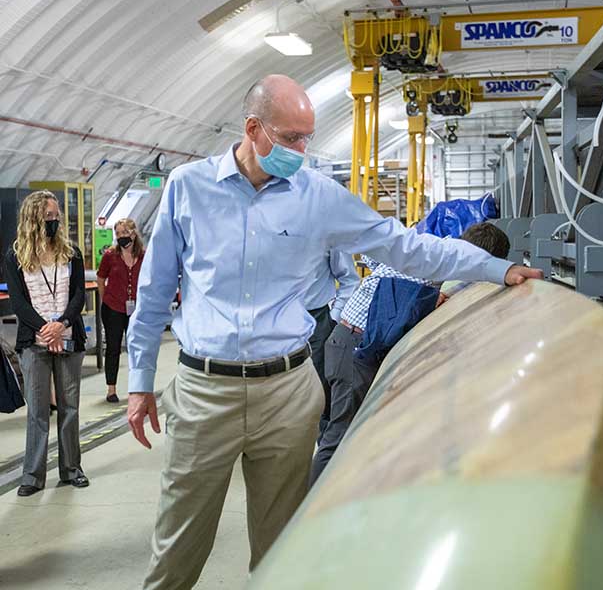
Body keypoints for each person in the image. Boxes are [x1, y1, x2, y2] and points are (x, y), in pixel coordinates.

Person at [125, 74, 541, 589]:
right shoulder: (188, 188)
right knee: (177, 548)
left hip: (288, 390)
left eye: (308, 137)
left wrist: (493, 268)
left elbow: (407, 247)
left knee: (282, 549)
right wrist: (140, 381)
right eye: (292, 137)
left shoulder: (318, 197)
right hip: (204, 390)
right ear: (253, 129)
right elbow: (152, 292)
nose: (303, 150)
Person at [309, 222, 512, 484]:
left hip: (346, 342)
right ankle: (314, 513)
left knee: (334, 431)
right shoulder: (435, 259)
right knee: (340, 437)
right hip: (354, 348)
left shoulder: (426, 252)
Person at [3, 191, 89, 497]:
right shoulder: (16, 257)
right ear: (33, 219)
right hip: (34, 344)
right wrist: (45, 329)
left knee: (70, 407)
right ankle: (33, 475)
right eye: (48, 217)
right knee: (38, 411)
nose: (54, 222)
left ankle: (72, 469)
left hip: (68, 339)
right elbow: (19, 303)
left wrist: (61, 325)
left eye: (56, 217)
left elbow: (79, 295)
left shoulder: (72, 253)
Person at [303, 249, 359, 440]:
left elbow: (349, 279)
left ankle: (324, 454)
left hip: (317, 320)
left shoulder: (325, 230)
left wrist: (333, 317)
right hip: (274, 322)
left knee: (320, 393)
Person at [96, 218, 145, 403]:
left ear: (133, 233)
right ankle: (111, 389)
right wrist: (106, 298)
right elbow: (101, 279)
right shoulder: (110, 255)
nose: (121, 237)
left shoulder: (143, 256)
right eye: (118, 234)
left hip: (136, 309)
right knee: (113, 347)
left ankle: (137, 386)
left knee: (136, 348)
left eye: (124, 233)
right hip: (113, 308)